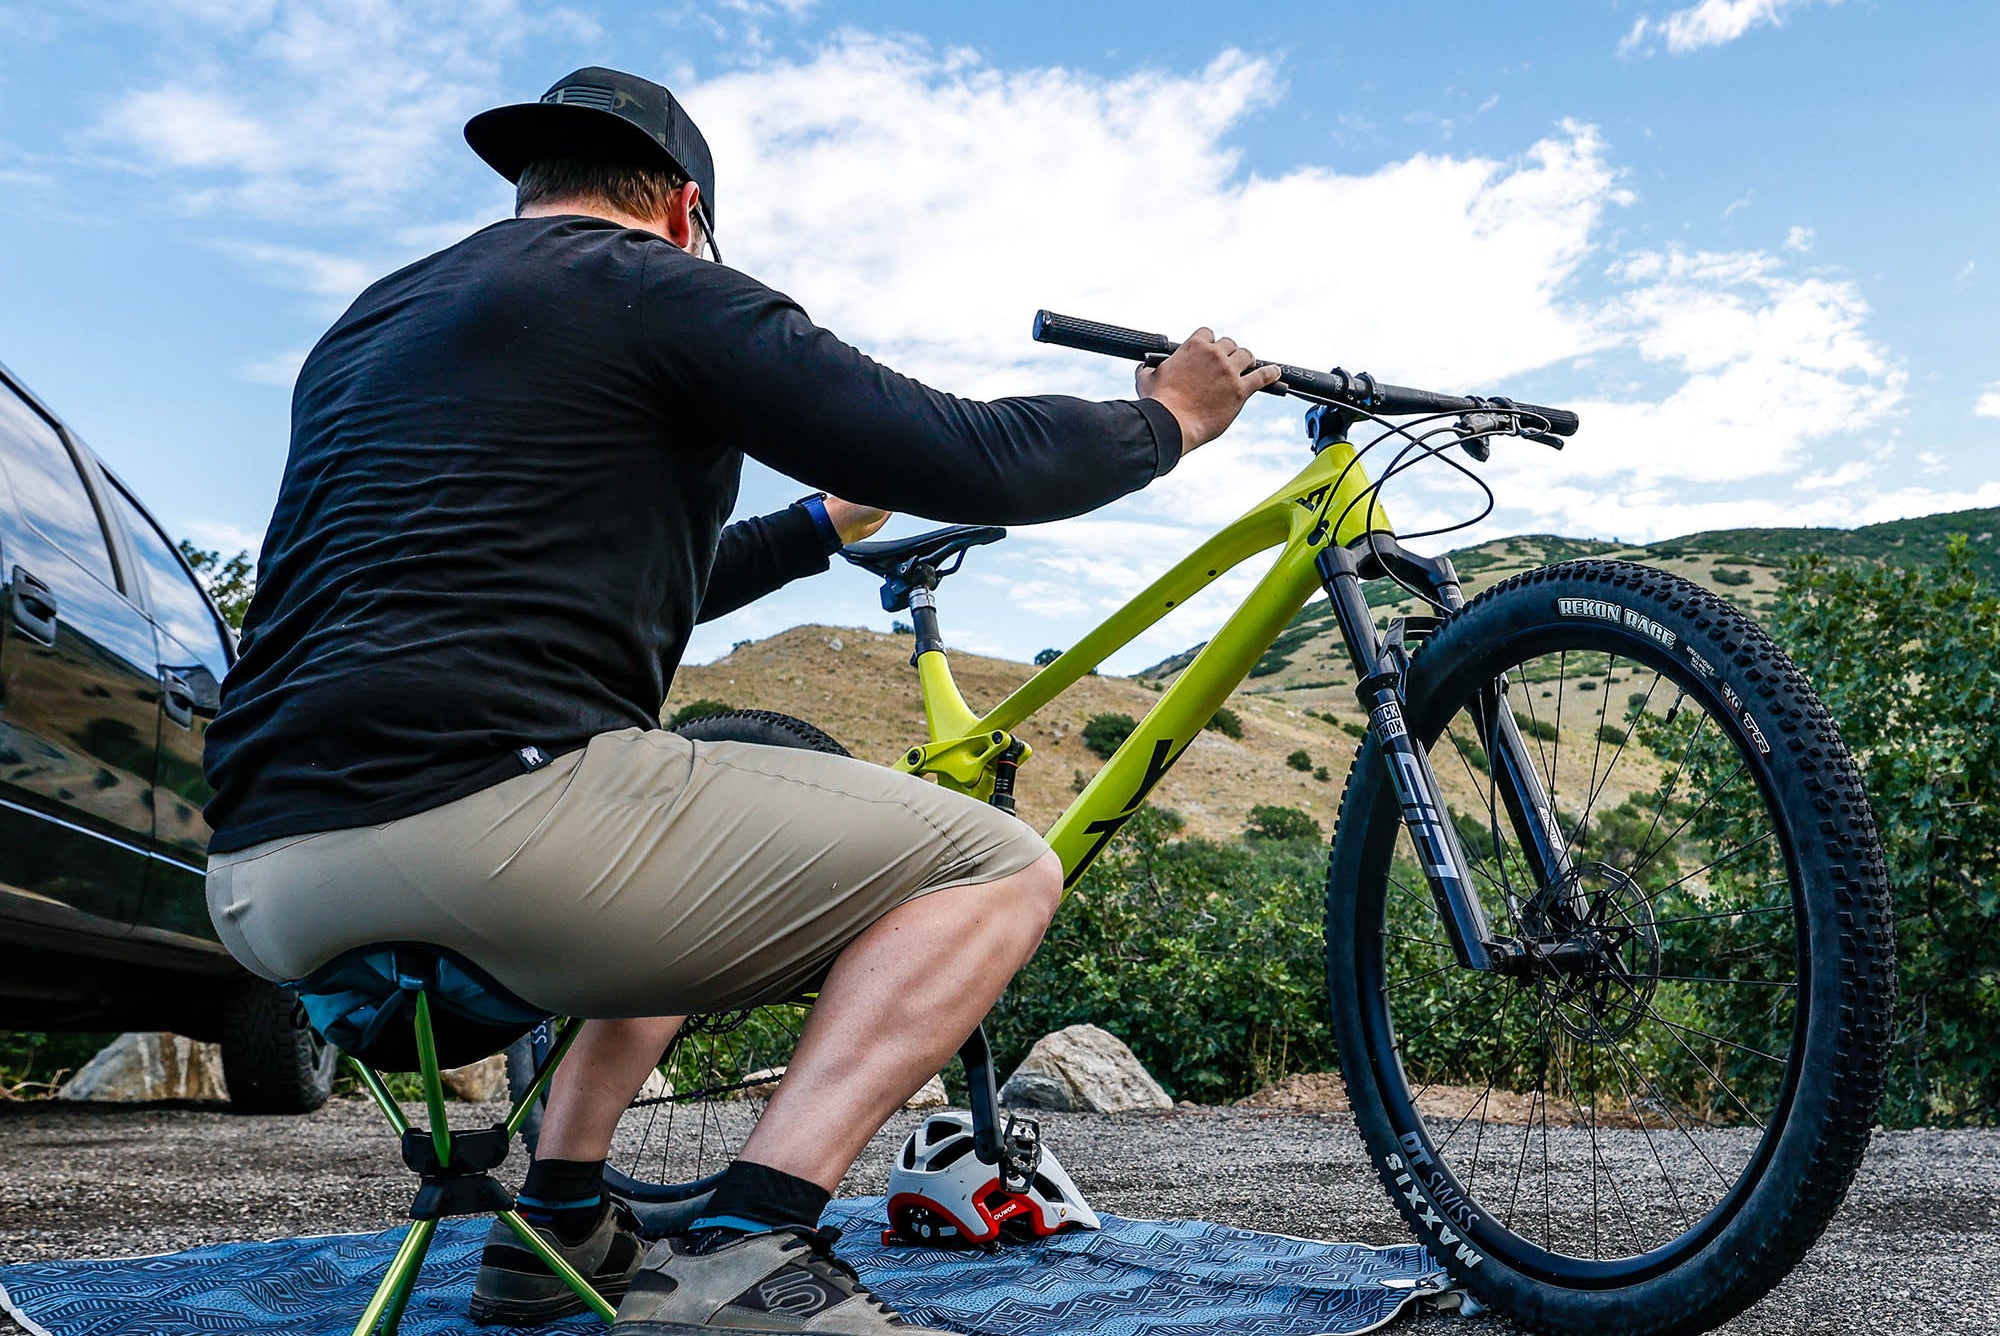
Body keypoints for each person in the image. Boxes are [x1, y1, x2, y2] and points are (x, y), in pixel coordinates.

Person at [201, 65, 1278, 1335]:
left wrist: (818, 526)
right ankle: (747, 1244)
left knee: (681, 800)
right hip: (486, 831)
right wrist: (1164, 419)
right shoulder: (661, 286)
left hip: (260, 879)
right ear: (681, 207)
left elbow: (620, 575)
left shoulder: (369, 329)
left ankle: (556, 1220)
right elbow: (965, 451)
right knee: (999, 865)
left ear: (531, 190)